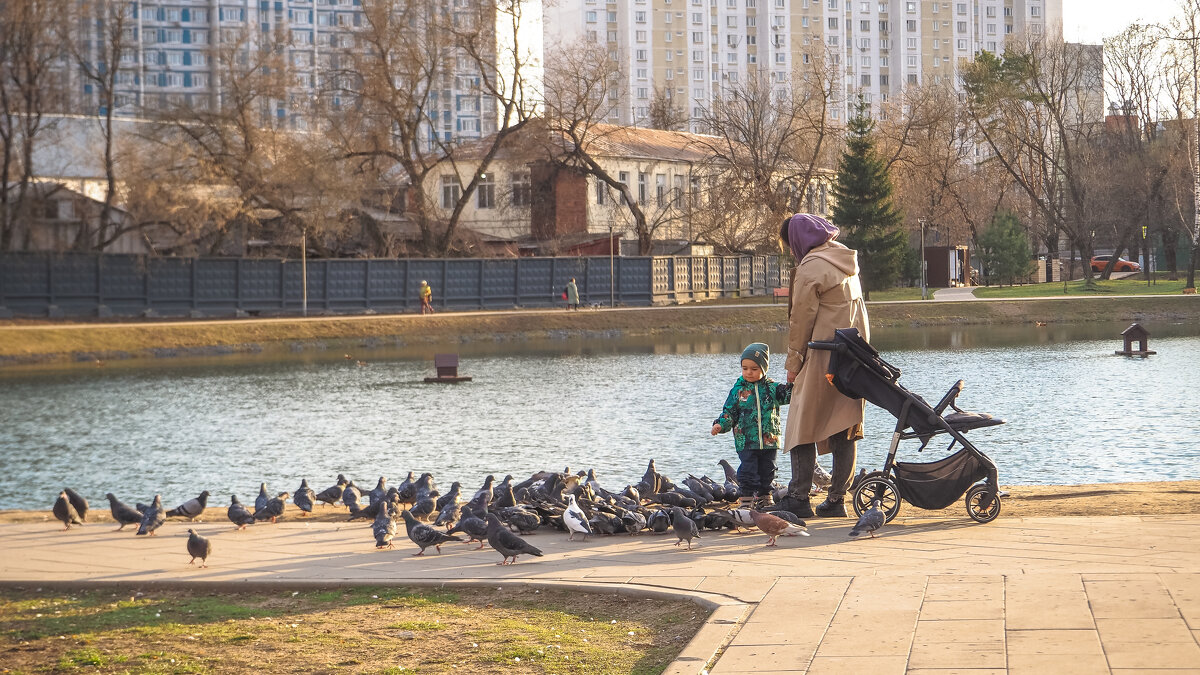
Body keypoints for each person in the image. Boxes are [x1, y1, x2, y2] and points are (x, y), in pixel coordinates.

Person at [773, 213, 870, 519]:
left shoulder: (811, 267)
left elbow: (801, 320)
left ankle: (799, 496)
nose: (790, 251)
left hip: (821, 353)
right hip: (853, 355)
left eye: (789, 244)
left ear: (799, 240)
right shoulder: (845, 260)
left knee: (800, 425)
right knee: (845, 424)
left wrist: (794, 362)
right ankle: (837, 500)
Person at [711, 342, 792, 510]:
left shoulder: (773, 388)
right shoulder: (738, 390)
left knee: (768, 470)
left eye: (754, 369)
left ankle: (765, 496)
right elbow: (729, 412)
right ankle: (747, 499)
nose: (749, 372)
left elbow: (790, 395)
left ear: (764, 368)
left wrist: (795, 382)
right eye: (745, 368)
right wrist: (720, 425)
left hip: (769, 439)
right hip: (746, 440)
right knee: (748, 471)